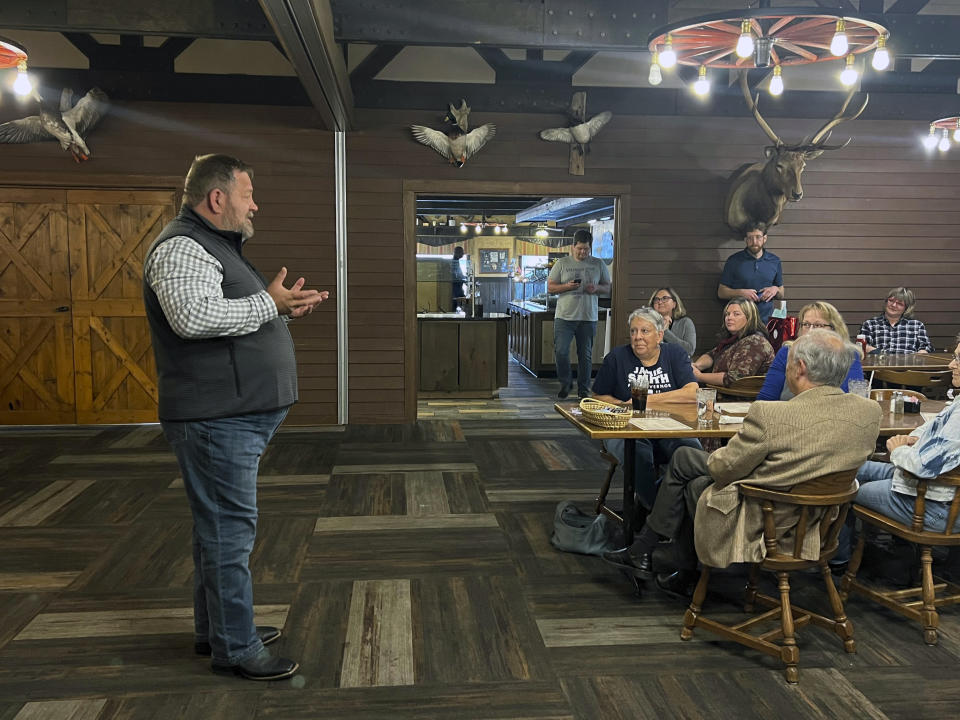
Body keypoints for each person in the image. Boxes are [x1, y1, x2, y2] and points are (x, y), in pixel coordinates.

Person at [143, 154, 328, 681]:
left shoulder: (214, 247)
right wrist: (269, 304)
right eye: (248, 195)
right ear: (217, 198)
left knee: (217, 530)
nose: (256, 206)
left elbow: (226, 313)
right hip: (215, 418)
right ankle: (237, 648)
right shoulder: (182, 246)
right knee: (228, 531)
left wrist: (281, 306)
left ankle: (219, 631)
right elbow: (193, 317)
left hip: (229, 415)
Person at [603, 330, 881, 596]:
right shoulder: (869, 412)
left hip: (766, 518)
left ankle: (653, 553)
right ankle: (664, 562)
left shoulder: (772, 415)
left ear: (800, 367)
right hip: (821, 524)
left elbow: (725, 469)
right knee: (687, 462)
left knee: (691, 475)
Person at [836, 337, 960, 564]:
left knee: (845, 489)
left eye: (959, 360)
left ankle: (842, 563)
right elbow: (931, 428)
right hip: (934, 491)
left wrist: (898, 450)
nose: (952, 365)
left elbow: (921, 466)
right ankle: (895, 555)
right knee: (849, 468)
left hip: (938, 506)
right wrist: (913, 439)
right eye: (954, 357)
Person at [592, 307, 701, 509]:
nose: (637, 337)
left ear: (660, 335)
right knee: (638, 454)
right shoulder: (617, 357)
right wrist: (622, 406)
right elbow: (598, 396)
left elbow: (692, 392)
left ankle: (661, 509)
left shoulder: (675, 354)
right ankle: (657, 512)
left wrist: (646, 401)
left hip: (669, 426)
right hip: (626, 428)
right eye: (633, 331)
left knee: (691, 452)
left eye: (645, 331)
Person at [547, 229, 612, 399]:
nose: (583, 252)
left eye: (586, 249)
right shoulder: (562, 263)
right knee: (561, 351)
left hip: (588, 317)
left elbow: (607, 287)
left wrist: (596, 288)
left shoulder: (598, 264)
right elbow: (551, 287)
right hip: (564, 317)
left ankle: (584, 390)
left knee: (586, 355)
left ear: (590, 248)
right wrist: (566, 287)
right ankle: (566, 383)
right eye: (580, 249)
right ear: (573, 247)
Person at [757, 301, 864, 400]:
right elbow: (767, 397)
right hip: (789, 416)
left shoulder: (848, 354)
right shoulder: (787, 352)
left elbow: (853, 398)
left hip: (835, 416)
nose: (811, 330)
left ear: (834, 328)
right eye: (806, 324)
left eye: (818, 325)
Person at [691, 298, 775, 389]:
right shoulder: (733, 338)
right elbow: (712, 355)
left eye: (736, 314)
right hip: (723, 394)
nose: (729, 317)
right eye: (727, 314)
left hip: (741, 399)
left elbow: (735, 378)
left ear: (749, 317)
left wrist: (699, 376)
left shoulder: (755, 342)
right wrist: (696, 366)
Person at [718, 222, 784, 324]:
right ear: (745, 240)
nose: (754, 242)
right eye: (750, 238)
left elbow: (781, 293)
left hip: (766, 323)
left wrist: (775, 289)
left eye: (758, 237)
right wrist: (741, 293)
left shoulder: (775, 261)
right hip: (739, 323)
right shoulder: (733, 260)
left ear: (764, 238)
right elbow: (721, 292)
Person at [858, 286, 933, 354]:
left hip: (909, 368)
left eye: (899, 304)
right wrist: (880, 354)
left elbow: (926, 347)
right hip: (879, 367)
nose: (893, 305)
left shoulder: (917, 325)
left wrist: (920, 354)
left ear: (907, 308)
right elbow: (861, 346)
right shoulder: (870, 324)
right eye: (891, 300)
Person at [649, 286, 696, 357]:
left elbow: (689, 350)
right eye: (656, 299)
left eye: (665, 298)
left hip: (680, 365)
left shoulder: (685, 322)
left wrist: (665, 332)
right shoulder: (647, 323)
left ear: (674, 304)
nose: (660, 302)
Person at [451, 246, 468, 311]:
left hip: (457, 286)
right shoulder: (454, 261)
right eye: (462, 252)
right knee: (462, 301)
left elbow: (458, 273)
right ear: (458, 252)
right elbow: (456, 275)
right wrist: (464, 279)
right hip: (456, 287)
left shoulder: (456, 261)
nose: (463, 254)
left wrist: (464, 278)